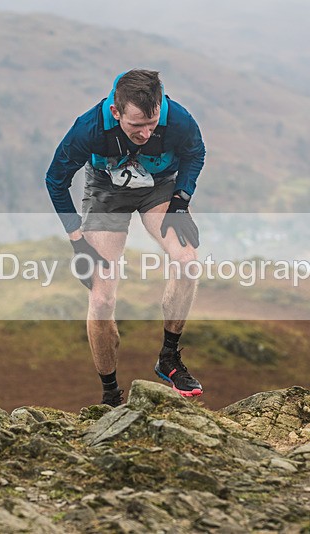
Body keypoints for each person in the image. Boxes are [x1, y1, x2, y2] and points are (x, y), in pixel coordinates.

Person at [45, 69, 206, 407]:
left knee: (188, 263)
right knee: (102, 299)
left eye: (152, 123)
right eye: (136, 127)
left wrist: (181, 200)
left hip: (159, 187)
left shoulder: (177, 118)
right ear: (116, 112)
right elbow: (55, 180)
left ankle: (169, 358)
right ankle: (110, 394)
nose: (147, 133)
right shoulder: (88, 128)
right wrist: (78, 241)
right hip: (107, 191)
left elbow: (195, 152)